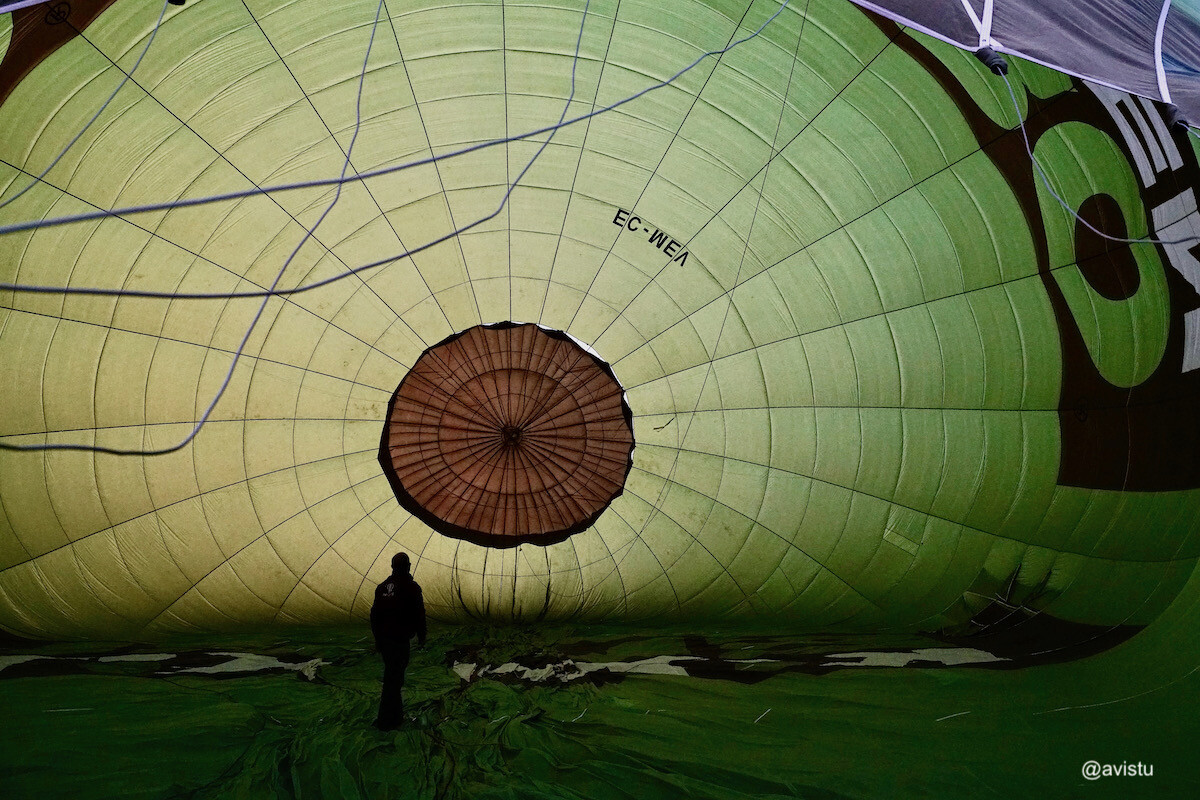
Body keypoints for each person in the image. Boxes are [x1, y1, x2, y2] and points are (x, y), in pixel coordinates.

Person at [370, 552, 426, 730]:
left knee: (392, 677)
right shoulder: (411, 587)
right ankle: (387, 721)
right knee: (394, 680)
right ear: (408, 566)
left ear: (392, 567)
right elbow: (419, 614)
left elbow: (374, 616)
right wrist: (422, 636)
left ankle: (394, 715)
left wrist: (378, 639)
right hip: (400, 640)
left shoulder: (382, 587)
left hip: (386, 640)